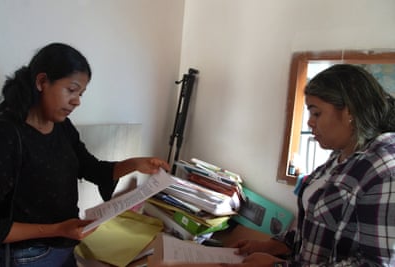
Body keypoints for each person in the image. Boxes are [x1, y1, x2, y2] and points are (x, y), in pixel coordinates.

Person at [153, 64, 395, 267]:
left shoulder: (383, 169)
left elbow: (374, 263)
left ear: (349, 111)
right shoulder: (342, 153)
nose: (310, 122)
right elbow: (314, 226)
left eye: (317, 113)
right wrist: (275, 244)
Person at [0, 42, 170, 267]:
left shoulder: (62, 127)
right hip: (27, 257)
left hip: (64, 247)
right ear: (41, 82)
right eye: (71, 89)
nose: (77, 101)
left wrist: (136, 164)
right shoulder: (3, 136)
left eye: (81, 93)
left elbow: (92, 169)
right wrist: (58, 229)